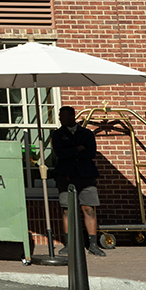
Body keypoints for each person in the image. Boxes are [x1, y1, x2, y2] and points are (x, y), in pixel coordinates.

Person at [52, 105, 106, 257]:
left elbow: (91, 153)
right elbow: (60, 153)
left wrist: (74, 150)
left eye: (63, 116)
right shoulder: (57, 134)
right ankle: (69, 244)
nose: (60, 118)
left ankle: (93, 244)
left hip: (85, 175)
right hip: (65, 175)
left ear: (72, 116)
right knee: (67, 209)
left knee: (89, 208)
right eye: (60, 116)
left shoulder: (86, 133)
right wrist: (77, 149)